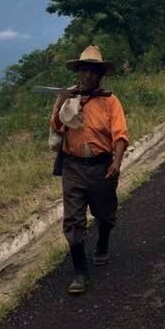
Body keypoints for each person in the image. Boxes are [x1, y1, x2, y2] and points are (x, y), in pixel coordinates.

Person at [50, 45, 129, 295]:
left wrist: (116, 162)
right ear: (79, 72)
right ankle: (80, 273)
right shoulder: (69, 98)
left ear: (100, 75)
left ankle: (103, 242)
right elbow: (56, 126)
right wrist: (62, 103)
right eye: (84, 70)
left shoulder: (110, 101)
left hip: (101, 166)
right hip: (73, 166)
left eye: (93, 71)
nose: (88, 76)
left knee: (105, 214)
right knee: (73, 218)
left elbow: (120, 134)